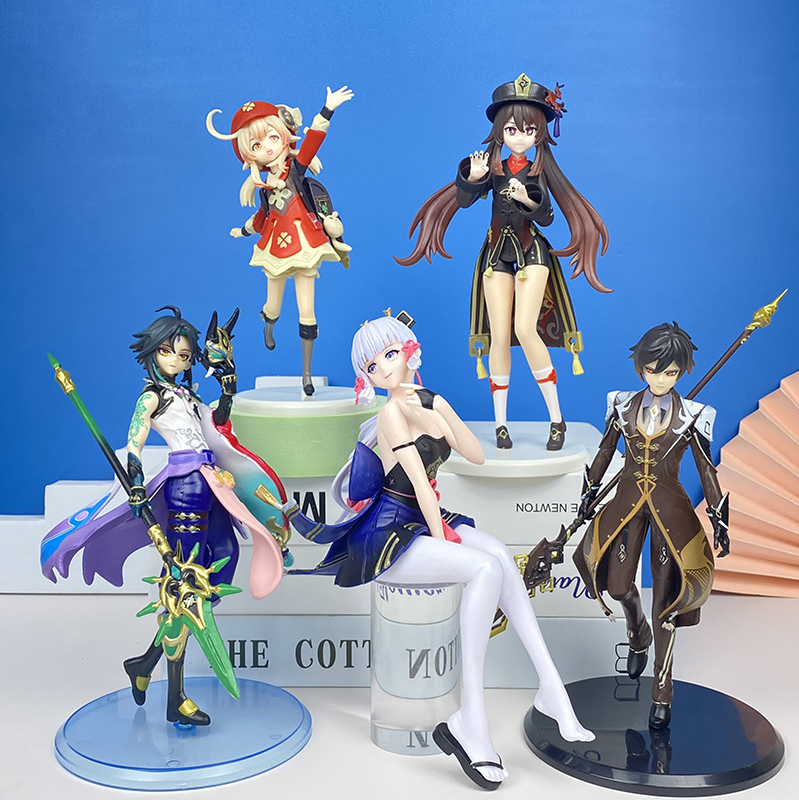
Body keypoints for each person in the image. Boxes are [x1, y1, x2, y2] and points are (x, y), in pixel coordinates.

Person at [282, 314, 593, 790]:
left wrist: (442, 407)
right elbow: (420, 486)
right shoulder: (390, 415)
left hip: (422, 521)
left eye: (390, 354)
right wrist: (442, 537)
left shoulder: (427, 401)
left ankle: (551, 689)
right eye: (372, 365)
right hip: (390, 531)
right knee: (484, 569)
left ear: (409, 350)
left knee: (500, 557)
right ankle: (472, 718)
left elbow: (475, 455)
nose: (384, 368)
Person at [41, 306, 288, 726]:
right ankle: (175, 697)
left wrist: (228, 388)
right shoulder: (151, 397)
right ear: (154, 351)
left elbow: (217, 425)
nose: (177, 360)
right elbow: (134, 444)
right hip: (186, 487)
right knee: (185, 583)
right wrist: (136, 483)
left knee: (222, 559)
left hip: (213, 484)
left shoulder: (189, 397)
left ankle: (145, 662)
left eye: (185, 355)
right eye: (169, 351)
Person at [396, 74, 609, 451]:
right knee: (498, 335)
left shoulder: (539, 169)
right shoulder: (492, 166)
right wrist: (473, 177)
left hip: (532, 252)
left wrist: (527, 200)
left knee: (525, 328)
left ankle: (556, 419)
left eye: (529, 130)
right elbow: (464, 200)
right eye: (512, 129)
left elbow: (547, 217)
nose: (520, 136)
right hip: (497, 253)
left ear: (539, 133)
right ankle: (501, 424)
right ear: (499, 131)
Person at [572, 322, 730, 729]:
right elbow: (605, 451)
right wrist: (589, 492)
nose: (661, 379)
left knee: (666, 604)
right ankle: (636, 630)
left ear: (682, 372)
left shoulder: (694, 415)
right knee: (617, 586)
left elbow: (706, 470)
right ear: (641, 368)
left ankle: (663, 690)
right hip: (626, 505)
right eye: (653, 370)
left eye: (670, 372)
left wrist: (719, 518)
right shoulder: (621, 405)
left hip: (669, 513)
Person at [207, 86, 354, 395]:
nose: (267, 148)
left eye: (272, 137)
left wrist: (327, 109)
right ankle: (269, 326)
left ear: (285, 136)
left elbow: (314, 140)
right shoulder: (264, 189)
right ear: (249, 154)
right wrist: (243, 231)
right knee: (273, 305)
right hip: (274, 249)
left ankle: (306, 374)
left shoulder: (296, 170)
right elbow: (261, 219)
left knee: (307, 310)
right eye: (256, 144)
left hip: (305, 245)